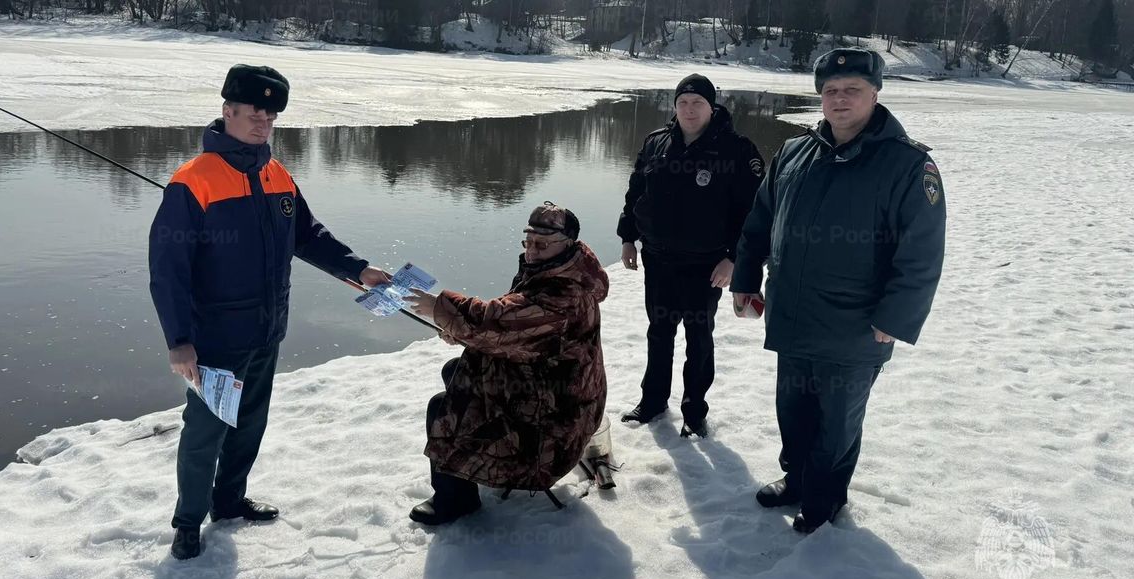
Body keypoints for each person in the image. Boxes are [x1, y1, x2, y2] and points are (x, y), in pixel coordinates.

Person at [148, 64, 389, 559]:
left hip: (266, 330)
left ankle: (230, 502)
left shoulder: (277, 174)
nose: (262, 122)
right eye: (253, 112)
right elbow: (168, 269)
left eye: (271, 114)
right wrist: (179, 340)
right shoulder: (192, 182)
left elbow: (308, 236)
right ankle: (188, 521)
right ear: (227, 111)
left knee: (249, 423)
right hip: (214, 338)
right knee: (205, 432)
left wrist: (358, 270)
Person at [732, 49, 946, 533]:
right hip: (792, 315)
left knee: (837, 423)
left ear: (875, 93)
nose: (840, 99)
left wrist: (895, 319)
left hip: (856, 327)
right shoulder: (793, 152)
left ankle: (824, 500)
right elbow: (759, 222)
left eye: (852, 89)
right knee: (792, 408)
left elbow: (922, 254)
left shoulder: (907, 166)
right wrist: (745, 279)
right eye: (831, 90)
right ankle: (797, 480)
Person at [403, 202, 608, 525]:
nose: (532, 251)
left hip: (554, 429)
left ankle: (455, 499)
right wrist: (462, 333)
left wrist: (439, 307)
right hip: (557, 394)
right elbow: (517, 331)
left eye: (542, 244)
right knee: (455, 371)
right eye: (528, 241)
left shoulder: (563, 294)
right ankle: (467, 465)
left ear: (567, 244)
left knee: (442, 405)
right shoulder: (563, 269)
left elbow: (495, 322)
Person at [617, 73, 766, 438]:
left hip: (707, 264)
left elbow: (754, 213)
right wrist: (627, 237)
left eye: (697, 102)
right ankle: (652, 401)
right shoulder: (657, 143)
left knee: (699, 336)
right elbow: (636, 191)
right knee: (659, 331)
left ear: (711, 107)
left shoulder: (736, 150)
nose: (689, 109)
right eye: (682, 103)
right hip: (658, 258)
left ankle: (694, 412)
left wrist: (735, 259)